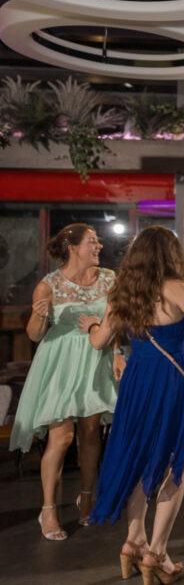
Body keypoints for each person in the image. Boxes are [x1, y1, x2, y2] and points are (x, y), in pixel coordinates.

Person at [84, 225, 184, 584]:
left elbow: (99, 341)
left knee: (141, 458)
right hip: (168, 384)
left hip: (135, 384)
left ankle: (133, 541)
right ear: (171, 255)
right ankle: (156, 552)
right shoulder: (177, 288)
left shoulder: (122, 293)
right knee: (175, 463)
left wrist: (91, 327)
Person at [10, 223, 117, 539]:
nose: (98, 246)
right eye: (92, 241)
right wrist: (40, 315)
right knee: (62, 437)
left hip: (95, 358)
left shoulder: (110, 279)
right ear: (73, 247)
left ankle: (87, 497)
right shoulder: (48, 285)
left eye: (98, 241)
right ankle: (49, 511)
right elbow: (33, 334)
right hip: (59, 363)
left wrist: (115, 349)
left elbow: (116, 321)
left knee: (90, 432)